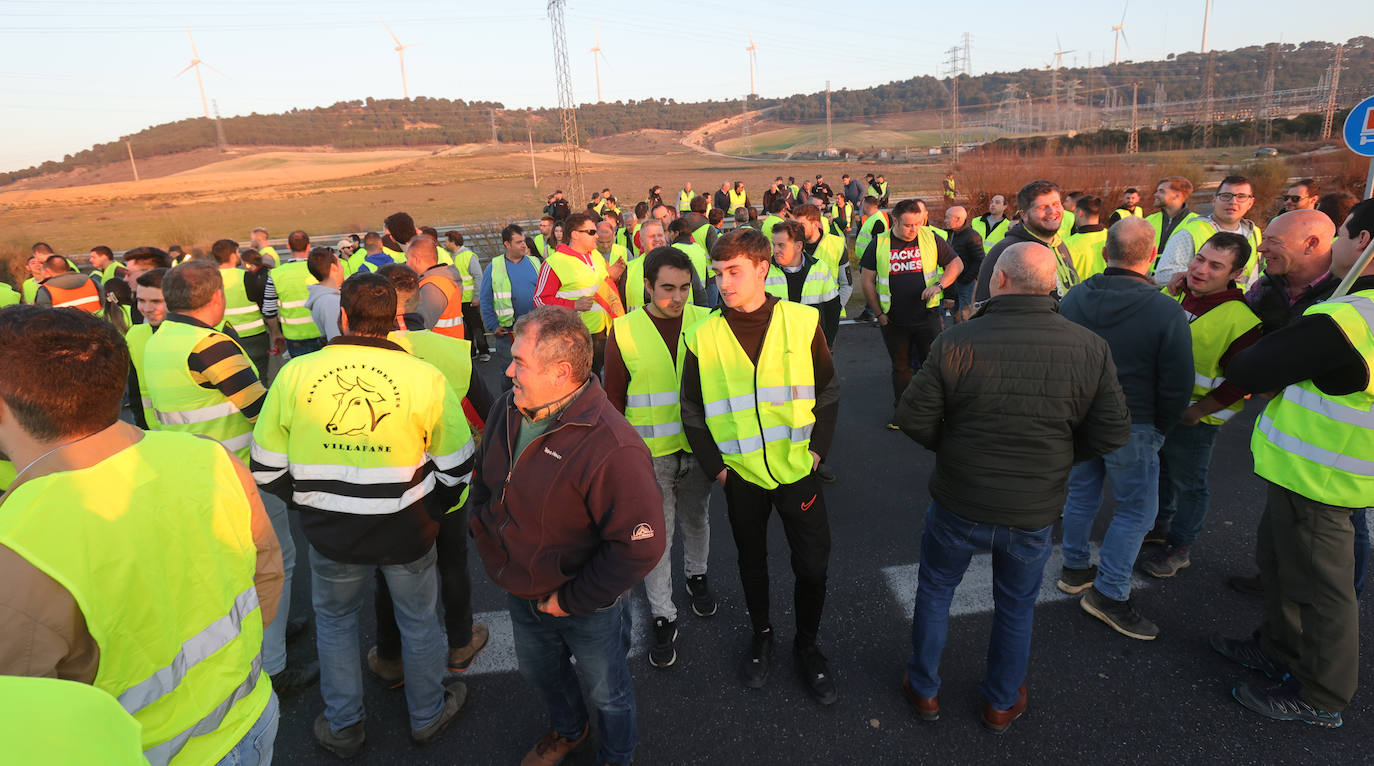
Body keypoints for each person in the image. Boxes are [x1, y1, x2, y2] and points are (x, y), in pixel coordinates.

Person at [0, 305, 284, 766]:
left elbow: (23, 726)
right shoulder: (209, 459)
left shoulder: (16, 543)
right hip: (249, 717)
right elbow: (266, 579)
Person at [895, 243, 1130, 733]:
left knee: (937, 590)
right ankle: (1000, 701)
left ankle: (924, 688)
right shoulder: (1089, 346)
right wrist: (1057, 458)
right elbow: (1111, 432)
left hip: (960, 498)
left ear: (998, 281)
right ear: (1050, 286)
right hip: (1033, 507)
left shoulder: (957, 340)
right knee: (1016, 604)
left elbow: (913, 418)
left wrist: (955, 447)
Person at [251, 272, 473, 756]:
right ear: (395, 320)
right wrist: (436, 509)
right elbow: (457, 466)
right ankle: (427, 713)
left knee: (334, 622)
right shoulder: (423, 376)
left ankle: (345, 724)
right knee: (419, 620)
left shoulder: (296, 374)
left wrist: (313, 501)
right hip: (408, 527)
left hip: (331, 533)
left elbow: (266, 468)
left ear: (343, 316)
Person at [469, 305, 664, 766]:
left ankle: (616, 755)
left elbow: (642, 546)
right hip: (519, 585)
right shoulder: (508, 407)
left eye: (519, 362)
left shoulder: (612, 446)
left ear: (560, 372)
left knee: (608, 693)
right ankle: (570, 731)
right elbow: (485, 480)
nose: (508, 368)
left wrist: (572, 599)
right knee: (541, 672)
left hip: (584, 603)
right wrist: (483, 531)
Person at [1206, 198, 1374, 728]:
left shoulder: (1348, 316)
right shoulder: (1347, 307)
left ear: (1363, 243)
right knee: (1280, 565)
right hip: (1304, 471)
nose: (1337, 245)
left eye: (1343, 233)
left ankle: (1323, 694)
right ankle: (1278, 650)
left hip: (1323, 480)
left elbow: (1253, 365)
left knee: (1323, 590)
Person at [681, 228, 841, 705]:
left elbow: (828, 390)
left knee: (812, 566)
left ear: (761, 269)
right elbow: (691, 408)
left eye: (734, 272)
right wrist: (718, 469)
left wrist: (816, 452)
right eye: (717, 274)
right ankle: (762, 635)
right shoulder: (703, 335)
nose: (724, 284)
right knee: (752, 563)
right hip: (741, 476)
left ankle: (808, 647)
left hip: (798, 470)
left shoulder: (801, 321)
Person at [144, 261, 317, 694]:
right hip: (240, 476)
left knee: (235, 569)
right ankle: (274, 666)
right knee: (275, 562)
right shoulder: (210, 345)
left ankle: (262, 634)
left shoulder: (159, 339)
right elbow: (260, 411)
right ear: (217, 296)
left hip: (192, 474)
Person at [1056, 217, 1193, 640]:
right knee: (1137, 510)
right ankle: (1110, 594)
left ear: (1103, 253)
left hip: (1083, 417)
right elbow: (1177, 380)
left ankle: (1075, 567)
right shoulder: (1165, 309)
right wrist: (1162, 426)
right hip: (1135, 422)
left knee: (1082, 493)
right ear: (1152, 256)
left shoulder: (1075, 298)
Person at [603, 247, 717, 670]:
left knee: (697, 521)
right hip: (650, 457)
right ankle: (663, 613)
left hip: (698, 450)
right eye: (668, 288)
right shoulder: (625, 330)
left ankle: (697, 576)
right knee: (658, 537)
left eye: (685, 288)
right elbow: (613, 398)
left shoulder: (706, 322)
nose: (678, 297)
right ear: (647, 286)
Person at [1138, 233, 1262, 578]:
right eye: (1199, 259)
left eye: (1215, 265)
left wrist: (1199, 411)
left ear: (1235, 274)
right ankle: (1160, 525)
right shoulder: (1181, 295)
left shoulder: (1242, 319)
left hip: (1196, 420)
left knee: (1190, 483)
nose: (1201, 269)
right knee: (1163, 471)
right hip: (1162, 410)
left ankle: (1180, 546)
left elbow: (1241, 381)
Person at [860, 199, 964, 429]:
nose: (914, 229)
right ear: (895, 220)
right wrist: (878, 313)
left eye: (917, 223)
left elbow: (956, 264)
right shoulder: (880, 243)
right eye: (908, 225)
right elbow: (867, 281)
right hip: (894, 320)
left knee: (934, 366)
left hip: (927, 317)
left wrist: (939, 285)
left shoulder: (929, 237)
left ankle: (936, 412)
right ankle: (903, 413)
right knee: (900, 367)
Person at [534, 212, 625, 375]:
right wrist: (573, 305)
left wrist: (613, 277)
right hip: (575, 336)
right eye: (591, 232)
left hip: (604, 331)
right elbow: (540, 300)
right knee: (582, 383)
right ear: (575, 235)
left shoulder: (596, 256)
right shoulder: (554, 263)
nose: (597, 235)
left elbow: (600, 288)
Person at [975, 180, 1079, 301]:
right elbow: (983, 306)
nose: (1052, 211)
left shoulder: (1058, 244)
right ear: (1023, 215)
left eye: (1056, 204)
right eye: (1042, 207)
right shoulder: (1005, 251)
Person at [1154, 175, 1262, 287]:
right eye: (1226, 196)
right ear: (1214, 200)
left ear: (1250, 203)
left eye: (1241, 196)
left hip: (1238, 303)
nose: (1233, 202)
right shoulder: (1191, 231)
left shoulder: (1254, 233)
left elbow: (1252, 279)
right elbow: (1163, 275)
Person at [1246, 210, 1340, 335]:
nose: (1260, 248)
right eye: (1264, 239)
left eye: (1274, 241)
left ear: (1311, 244)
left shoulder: (1344, 293)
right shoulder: (1265, 285)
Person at [769, 219, 841, 349]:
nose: (776, 250)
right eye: (774, 245)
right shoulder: (764, 270)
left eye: (781, 245)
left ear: (798, 246)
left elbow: (833, 309)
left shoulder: (819, 267)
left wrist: (826, 344)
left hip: (813, 345)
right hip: (777, 349)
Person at [481, 223, 542, 374]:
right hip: (508, 333)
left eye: (524, 241)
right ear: (507, 244)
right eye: (519, 242)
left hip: (535, 329)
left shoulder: (535, 262)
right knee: (510, 373)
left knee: (536, 370)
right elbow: (485, 299)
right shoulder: (494, 267)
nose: (524, 245)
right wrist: (492, 325)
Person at [212, 238, 271, 377]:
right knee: (259, 378)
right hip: (253, 336)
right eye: (237, 252)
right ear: (232, 255)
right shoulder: (247, 276)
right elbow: (263, 303)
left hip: (221, 336)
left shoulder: (209, 278)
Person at [263, 229, 325, 357]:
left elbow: (269, 310)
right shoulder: (322, 268)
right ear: (309, 246)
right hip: (323, 332)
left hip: (294, 336)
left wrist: (275, 333)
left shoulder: (276, 274)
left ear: (288, 246)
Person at [125, 268, 168, 429]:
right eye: (141, 300)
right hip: (156, 435)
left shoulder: (207, 333)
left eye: (156, 301)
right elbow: (134, 394)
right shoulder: (134, 336)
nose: (147, 308)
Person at [791, 203, 850, 317]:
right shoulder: (792, 246)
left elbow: (846, 285)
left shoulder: (836, 245)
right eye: (796, 225)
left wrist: (834, 311)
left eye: (802, 225)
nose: (797, 230)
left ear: (816, 224)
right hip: (800, 316)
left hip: (827, 316)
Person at [408, 236, 467, 340]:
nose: (407, 263)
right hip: (450, 346)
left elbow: (420, 327)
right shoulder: (444, 279)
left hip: (438, 349)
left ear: (417, 259)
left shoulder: (431, 287)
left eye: (408, 258)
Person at [445, 230, 491, 360]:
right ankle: (471, 352)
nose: (445, 243)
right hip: (457, 299)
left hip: (469, 299)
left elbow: (478, 276)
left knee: (476, 326)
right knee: (465, 328)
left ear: (453, 242)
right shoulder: (449, 257)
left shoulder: (468, 256)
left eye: (447, 240)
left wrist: (476, 296)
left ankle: (484, 351)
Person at [942, 205, 983, 322]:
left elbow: (979, 260)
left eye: (947, 218)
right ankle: (957, 337)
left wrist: (966, 279)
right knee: (956, 314)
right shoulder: (951, 234)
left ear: (958, 219)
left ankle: (967, 339)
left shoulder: (971, 236)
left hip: (966, 283)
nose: (945, 221)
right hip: (953, 281)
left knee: (966, 314)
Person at [1146, 176, 1202, 256]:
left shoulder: (1197, 223)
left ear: (1177, 195)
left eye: (1161, 191)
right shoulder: (1149, 220)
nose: (1155, 194)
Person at [34, 255, 102, 313]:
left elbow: (44, 318)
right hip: (97, 326)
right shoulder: (92, 282)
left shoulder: (46, 290)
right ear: (68, 267)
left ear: (48, 270)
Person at [1064, 195, 1109, 281]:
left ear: (1080, 212)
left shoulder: (1067, 245)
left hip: (1080, 292)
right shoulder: (1112, 236)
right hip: (1109, 291)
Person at [305, 246, 345, 342]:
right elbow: (336, 341)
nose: (342, 268)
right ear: (334, 268)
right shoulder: (331, 302)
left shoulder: (323, 296)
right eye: (340, 264)